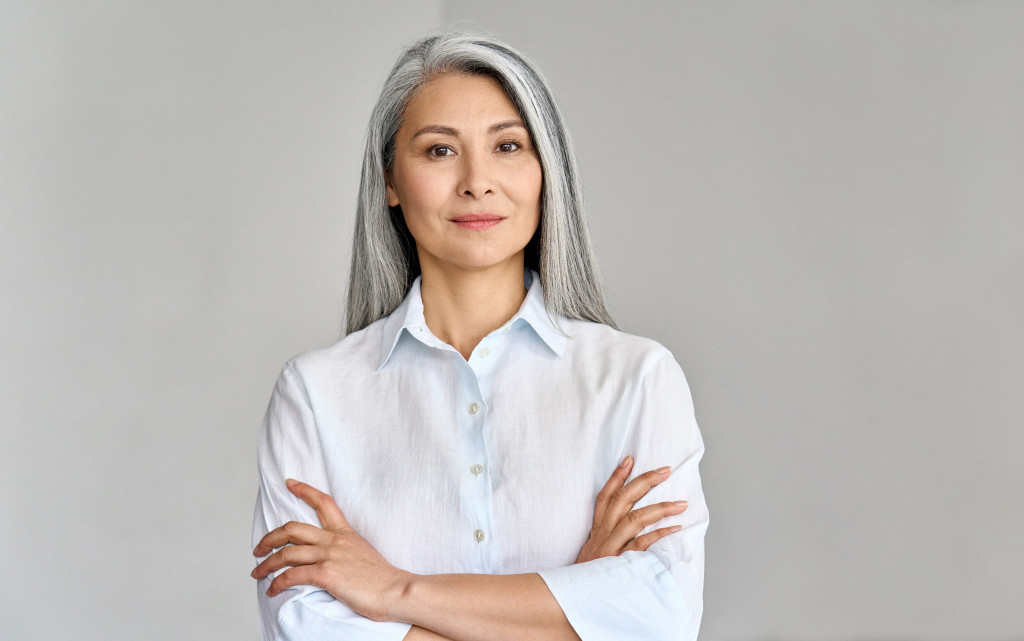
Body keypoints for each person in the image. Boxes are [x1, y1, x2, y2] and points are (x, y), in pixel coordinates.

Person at [250, 32, 708, 641]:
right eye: (439, 151)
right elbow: (307, 629)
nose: (477, 181)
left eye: (508, 146)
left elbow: (663, 619)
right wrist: (576, 603)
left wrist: (393, 592)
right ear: (390, 180)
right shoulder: (314, 394)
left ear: (547, 172)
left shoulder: (638, 379)